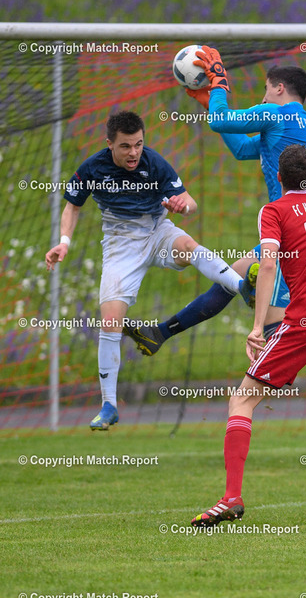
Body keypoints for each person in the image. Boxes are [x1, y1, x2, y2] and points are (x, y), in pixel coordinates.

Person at [124, 49, 306, 395]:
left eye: (266, 89)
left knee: (275, 328)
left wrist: (219, 84)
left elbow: (222, 121)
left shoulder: (274, 113)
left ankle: (254, 399)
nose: (262, 97)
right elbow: (241, 148)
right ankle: (159, 334)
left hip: (297, 230)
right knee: (231, 278)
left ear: (279, 89)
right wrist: (210, 104)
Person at [191, 144, 306, 528]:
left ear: (278, 177)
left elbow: (267, 266)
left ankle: (231, 498)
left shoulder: (274, 210)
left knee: (242, 399)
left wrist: (257, 326)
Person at [45, 110, 256, 430]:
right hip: (120, 244)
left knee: (188, 246)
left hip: (158, 232)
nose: (134, 153)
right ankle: (109, 406)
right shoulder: (92, 168)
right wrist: (64, 242)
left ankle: (242, 287)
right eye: (126, 146)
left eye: (138, 144)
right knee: (110, 321)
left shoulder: (154, 163)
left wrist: (183, 206)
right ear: (109, 144)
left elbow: (190, 202)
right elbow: (72, 206)